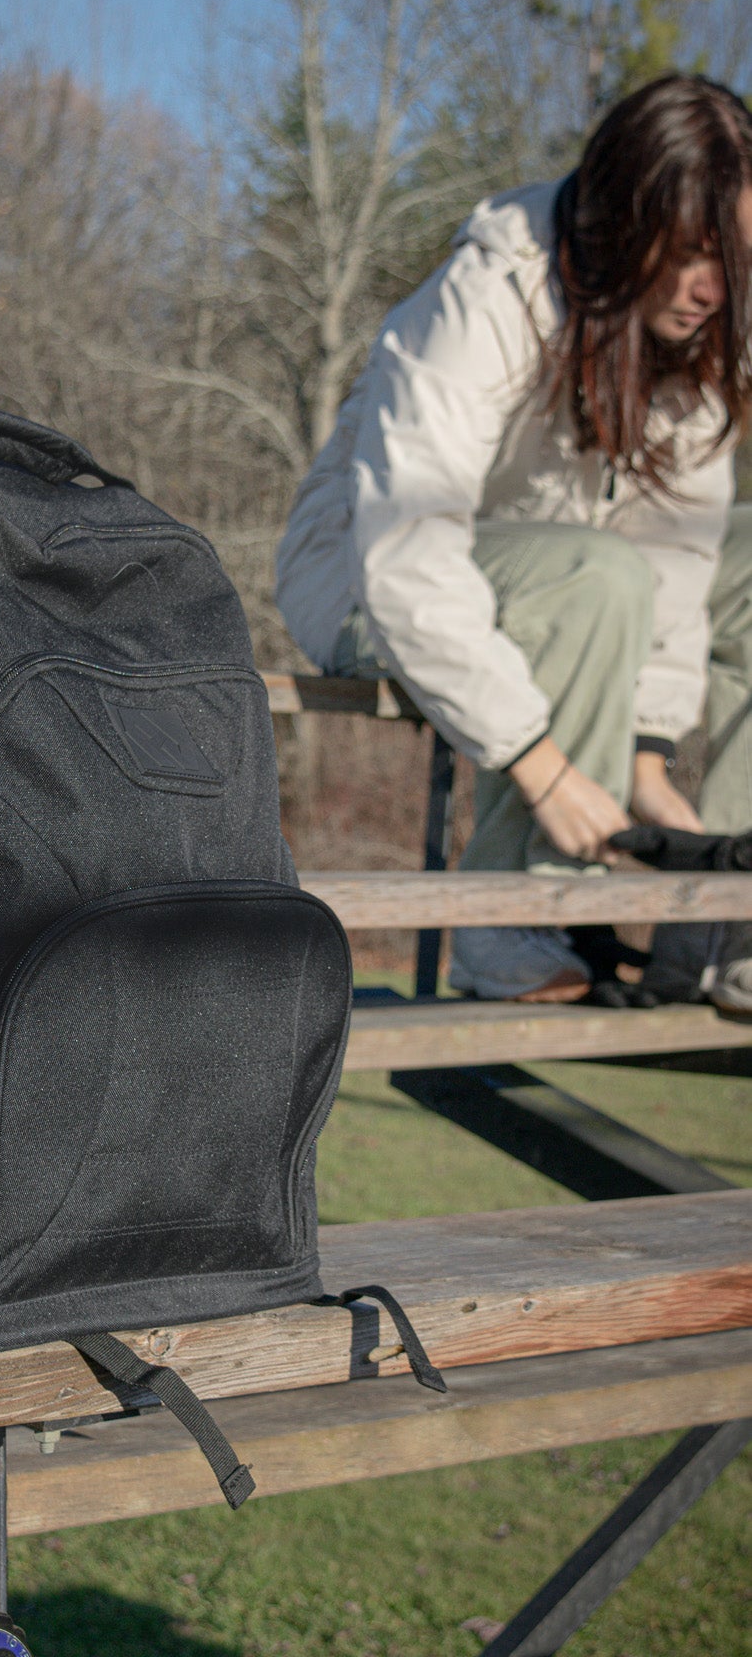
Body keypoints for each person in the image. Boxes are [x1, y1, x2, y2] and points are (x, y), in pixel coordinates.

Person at [275, 74, 752, 1010]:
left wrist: (647, 759)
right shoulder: (490, 290)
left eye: (730, 258)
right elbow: (409, 555)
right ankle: (510, 921)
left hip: (574, 587)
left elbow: (680, 548)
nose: (711, 288)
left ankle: (721, 930)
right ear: (624, 219)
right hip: (366, 579)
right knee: (596, 574)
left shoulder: (698, 339)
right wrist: (546, 769)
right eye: (692, 253)